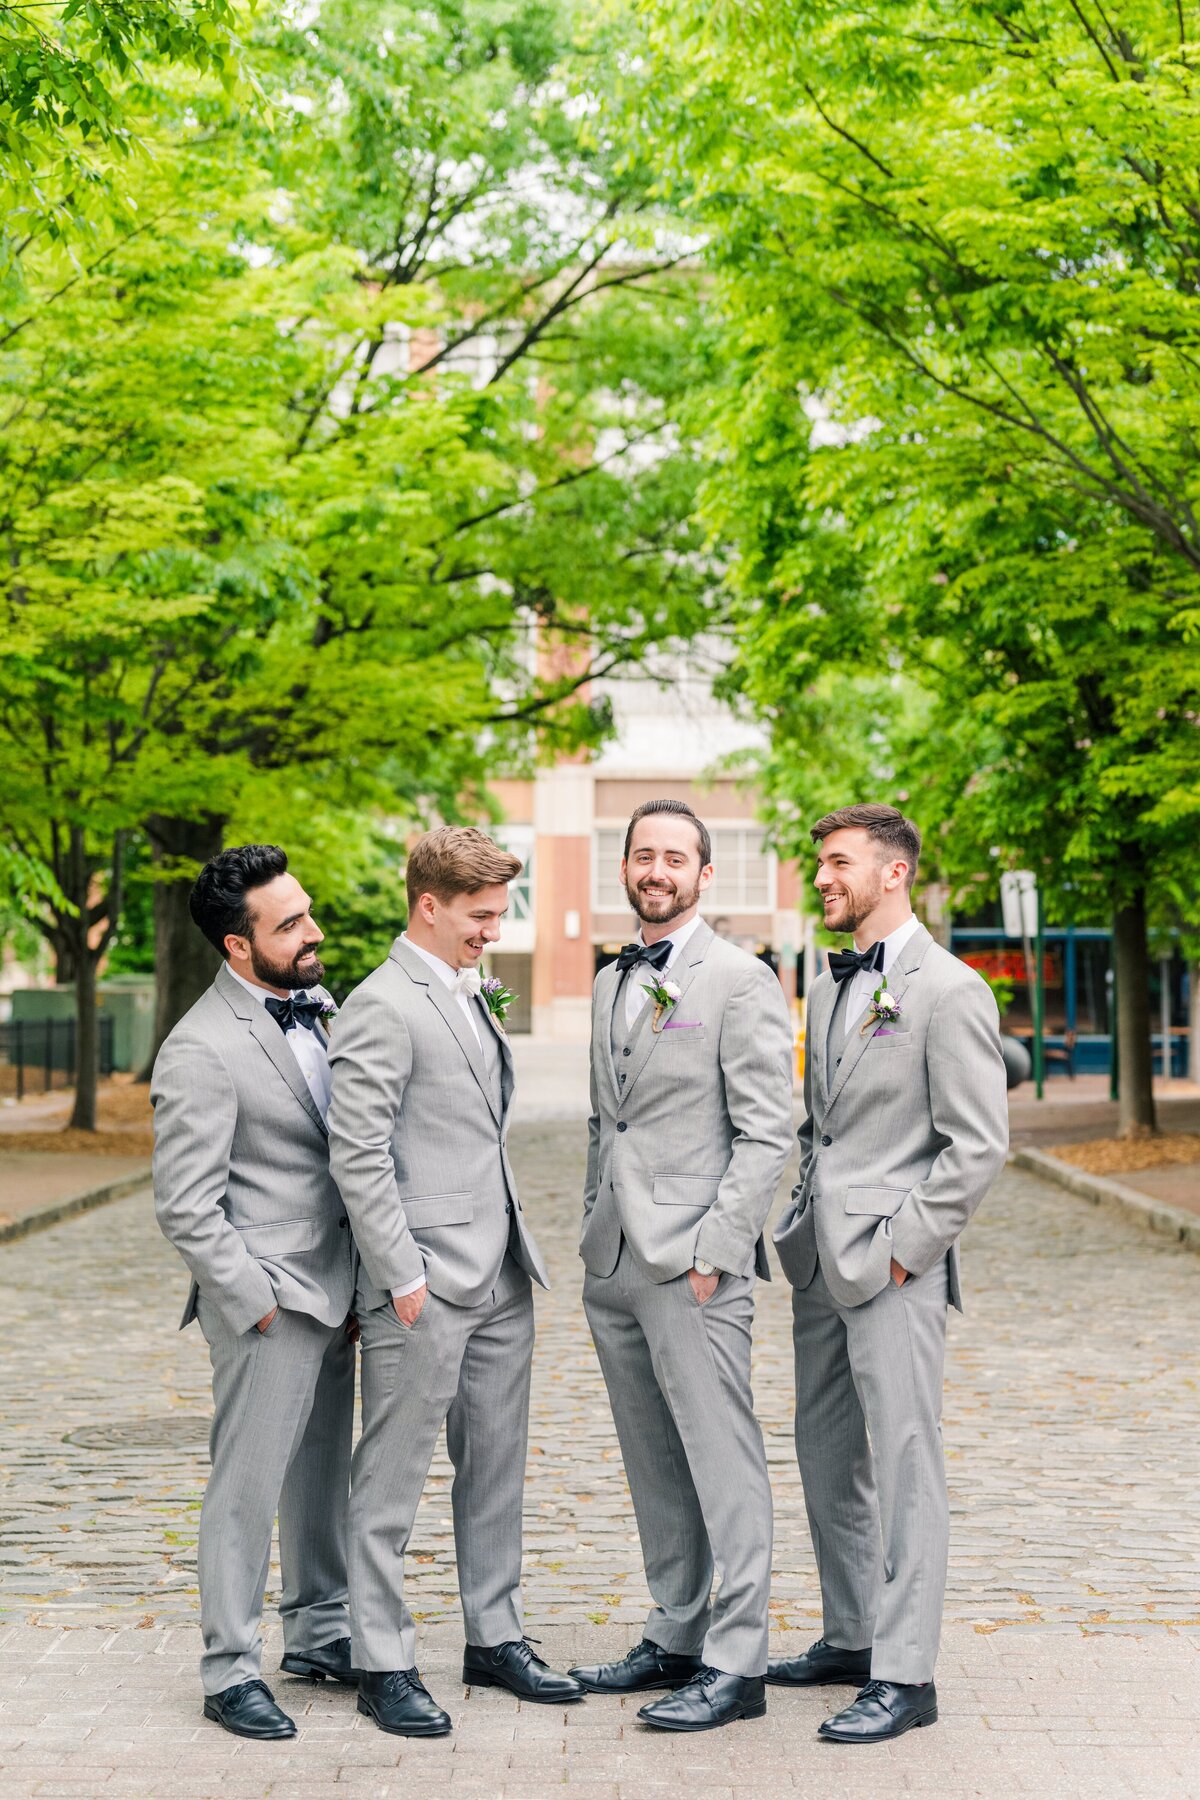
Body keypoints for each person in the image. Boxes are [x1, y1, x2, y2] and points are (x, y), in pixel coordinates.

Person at [327, 826, 584, 1737]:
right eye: (481, 915)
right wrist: (401, 1276)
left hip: (502, 1270)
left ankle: (495, 1634)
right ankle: (382, 1657)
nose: (494, 931)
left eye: (500, 911)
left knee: (496, 1469)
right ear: (428, 907)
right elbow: (358, 1155)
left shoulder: (463, 990)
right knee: (391, 1477)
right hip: (423, 1284)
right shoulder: (379, 1006)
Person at [771, 803, 1008, 1743]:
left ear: (893, 872)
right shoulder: (830, 985)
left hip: (894, 1268)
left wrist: (908, 1249)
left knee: (906, 1463)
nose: (823, 879)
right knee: (826, 1451)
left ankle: (906, 1678)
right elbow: (820, 1121)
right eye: (821, 863)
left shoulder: (950, 991)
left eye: (837, 864)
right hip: (822, 1262)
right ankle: (853, 1634)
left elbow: (977, 1147)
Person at [569, 799, 794, 1733]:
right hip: (615, 1258)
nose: (656, 869)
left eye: (675, 858)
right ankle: (675, 1629)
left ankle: (737, 1662)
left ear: (706, 876)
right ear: (624, 868)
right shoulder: (607, 981)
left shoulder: (741, 981)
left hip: (695, 1262)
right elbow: (603, 1119)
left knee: (721, 1456)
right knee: (651, 1456)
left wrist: (715, 1251)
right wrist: (593, 1221)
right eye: (641, 854)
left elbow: (767, 1130)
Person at [151, 845, 358, 1742]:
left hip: (341, 1287)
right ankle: (229, 1669)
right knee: (245, 1486)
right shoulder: (198, 1049)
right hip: (268, 1304)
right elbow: (187, 1208)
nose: (313, 932)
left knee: (321, 1476)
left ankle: (318, 1634)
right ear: (239, 949)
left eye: (306, 911)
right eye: (290, 925)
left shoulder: (322, 1007)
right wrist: (259, 1304)